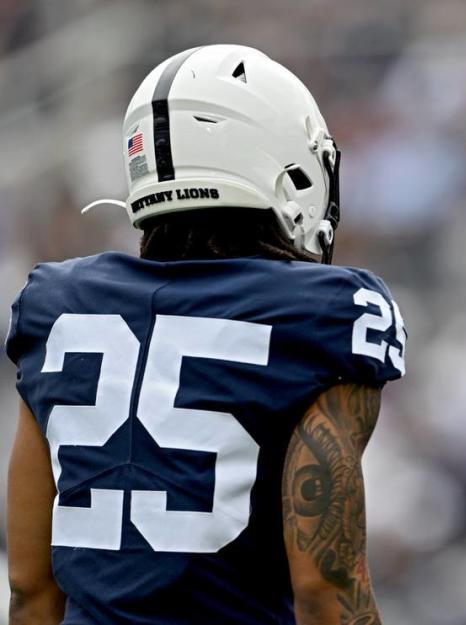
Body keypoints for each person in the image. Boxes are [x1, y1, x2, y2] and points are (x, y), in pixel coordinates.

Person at [5, 45, 407, 625]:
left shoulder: (57, 305)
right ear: (289, 170)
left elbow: (30, 588)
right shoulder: (325, 312)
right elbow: (327, 588)